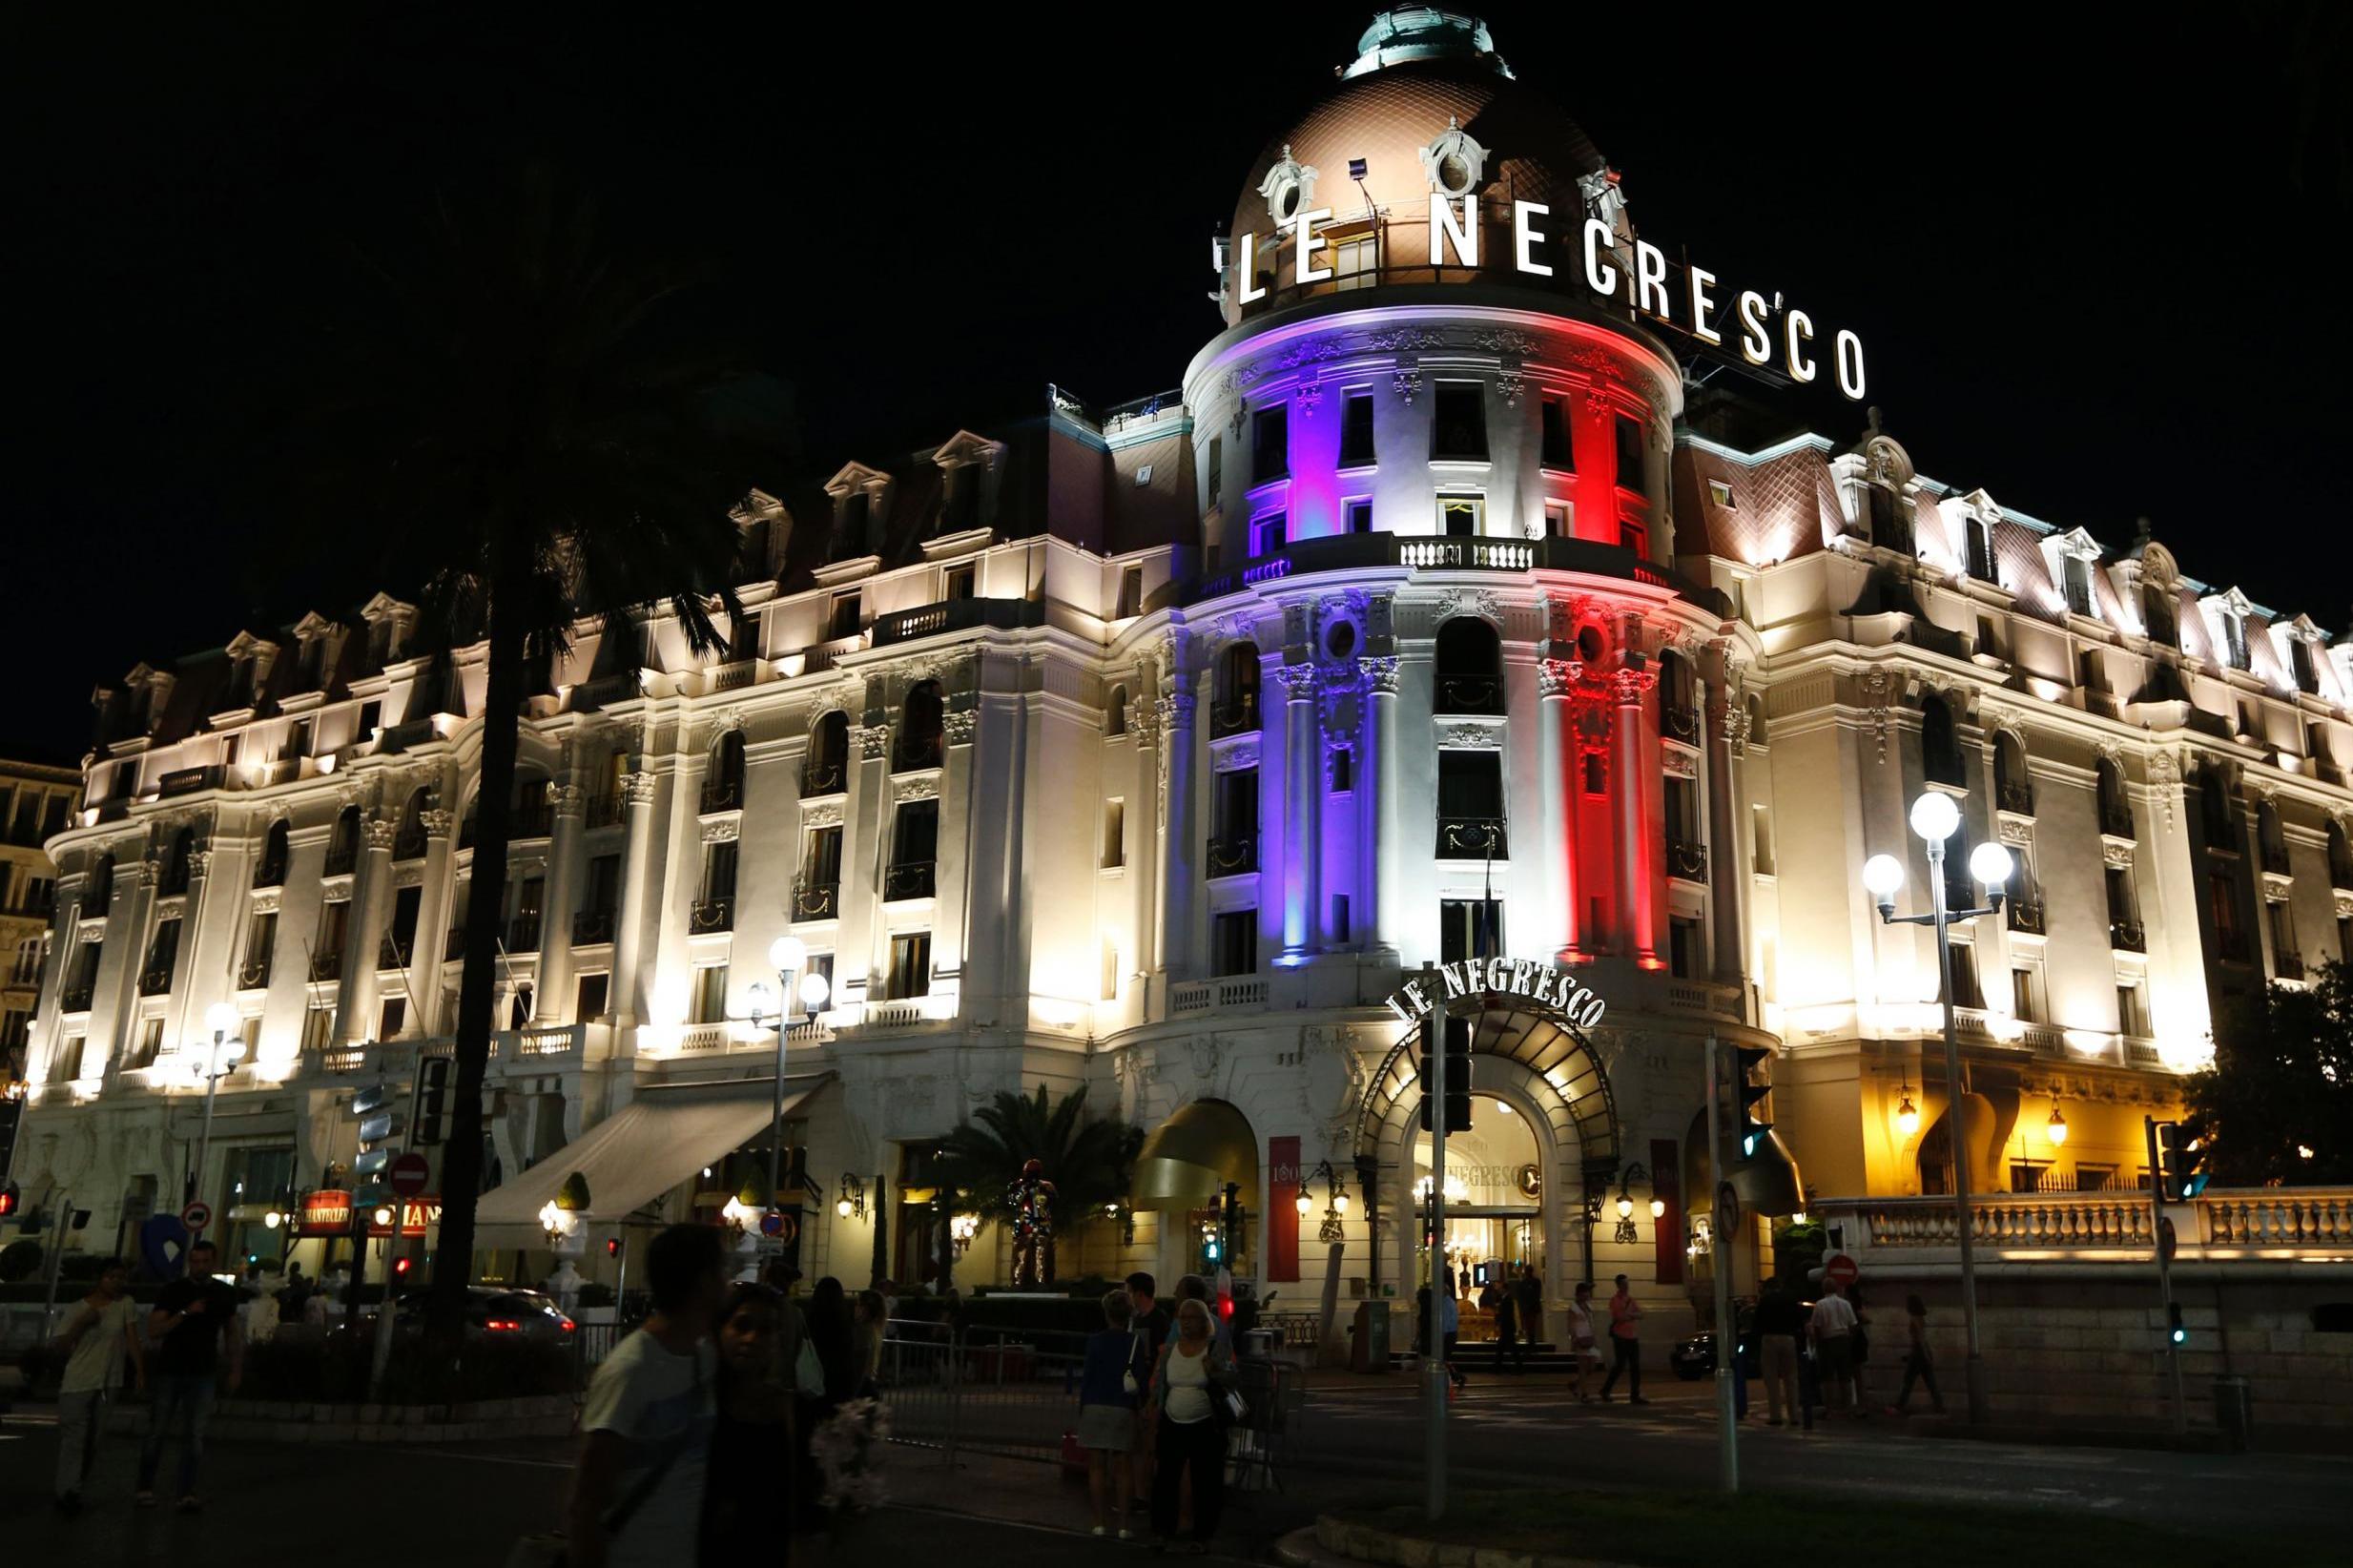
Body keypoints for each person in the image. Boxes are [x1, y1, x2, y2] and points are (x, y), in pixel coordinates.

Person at [568, 1224, 726, 1568]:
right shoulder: (631, 1371)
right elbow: (588, 1499)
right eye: (720, 1271)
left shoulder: (704, 1359)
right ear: (702, 1281)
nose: (727, 1282)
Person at [137, 1239, 243, 1511]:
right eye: (195, 1262)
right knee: (157, 1432)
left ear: (214, 1262)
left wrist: (235, 1368)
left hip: (203, 1371)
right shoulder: (174, 1290)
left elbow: (232, 1333)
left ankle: (186, 1491)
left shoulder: (224, 1294)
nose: (199, 1267)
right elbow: (153, 1329)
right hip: (171, 1369)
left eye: (204, 1262)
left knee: (194, 1435)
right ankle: (145, 1487)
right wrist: (184, 1312)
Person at [701, 1283, 794, 1564]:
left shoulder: (782, 1406)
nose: (751, 1338)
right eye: (741, 1325)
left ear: (777, 1340)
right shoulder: (699, 1402)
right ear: (720, 1330)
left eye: (765, 1330)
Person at [1146, 1297, 1239, 1553]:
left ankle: (1202, 1536)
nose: (1186, 1323)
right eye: (1182, 1318)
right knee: (1166, 1479)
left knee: (1205, 1482)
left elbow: (1232, 1378)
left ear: (1204, 1321)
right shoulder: (1171, 1349)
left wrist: (1216, 1371)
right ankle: (1162, 1531)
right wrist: (1153, 1405)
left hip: (1205, 1424)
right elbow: (1162, 1382)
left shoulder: (1214, 1348)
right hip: (1172, 1421)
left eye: (1191, 1318)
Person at [52, 1258, 144, 1514]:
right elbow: (61, 1346)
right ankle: (67, 1491)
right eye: (111, 1277)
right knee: (75, 1439)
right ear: (99, 1278)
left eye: (121, 1277)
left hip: (108, 1382)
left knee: (93, 1439)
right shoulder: (77, 1309)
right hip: (78, 1381)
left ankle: (74, 1487)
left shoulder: (125, 1305)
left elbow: (132, 1338)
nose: (116, 1282)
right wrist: (81, 1323)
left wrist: (139, 1370)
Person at [1077, 1288, 1140, 1539]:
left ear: (1107, 1313)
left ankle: (1098, 1522)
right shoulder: (1134, 1342)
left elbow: (1087, 1377)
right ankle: (1124, 1524)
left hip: (1095, 1404)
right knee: (1124, 1468)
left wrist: (1083, 1407)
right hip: (1122, 1405)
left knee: (1097, 1467)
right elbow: (1140, 1379)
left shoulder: (1095, 1341)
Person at [1124, 1272, 1167, 1517]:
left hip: (1148, 1389)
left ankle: (1144, 1495)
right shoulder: (1135, 1319)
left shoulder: (1157, 1320)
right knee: (1137, 1444)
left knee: (1147, 1445)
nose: (1128, 1295)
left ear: (1139, 1293)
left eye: (1129, 1290)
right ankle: (1139, 1493)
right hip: (1136, 1386)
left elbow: (1162, 1352)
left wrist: (1154, 1383)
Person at [1753, 1277, 1805, 1427]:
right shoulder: (1790, 1299)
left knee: (1771, 1379)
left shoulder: (1765, 1301)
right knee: (1791, 1378)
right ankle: (1793, 1415)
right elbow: (1798, 1320)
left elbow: (1757, 1323)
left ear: (1769, 1288)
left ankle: (1775, 1416)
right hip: (1788, 1338)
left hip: (1769, 1338)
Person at [1809, 1277, 1860, 1415]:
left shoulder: (1820, 1304)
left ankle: (1830, 1407)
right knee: (1845, 1375)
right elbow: (1853, 1324)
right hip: (1844, 1340)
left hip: (1827, 1341)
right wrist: (1849, 1339)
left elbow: (1817, 1326)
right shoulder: (1845, 1304)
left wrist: (1818, 1343)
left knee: (1827, 1376)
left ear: (1823, 1289)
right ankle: (1847, 1406)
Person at [1892, 1292, 1946, 1415]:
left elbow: (1919, 1338)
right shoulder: (1920, 1318)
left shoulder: (1914, 1319)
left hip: (1918, 1352)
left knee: (1908, 1381)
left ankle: (1899, 1406)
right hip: (1921, 1352)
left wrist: (1921, 1354)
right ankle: (1940, 1406)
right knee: (1930, 1382)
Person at [1599, 1274, 1645, 1404]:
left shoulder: (1630, 1300)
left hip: (1632, 1336)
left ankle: (1635, 1394)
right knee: (1619, 1365)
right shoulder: (1615, 1300)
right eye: (1624, 1284)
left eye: (1627, 1283)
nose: (1627, 1286)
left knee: (1635, 1366)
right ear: (1618, 1285)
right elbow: (1619, 1317)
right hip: (1620, 1336)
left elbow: (1641, 1314)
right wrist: (1632, 1316)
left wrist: (1630, 1315)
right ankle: (1605, 1390)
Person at [1565, 1281, 1599, 1403]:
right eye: (1586, 1291)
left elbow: (1591, 1323)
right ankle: (1584, 1394)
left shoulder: (1589, 1306)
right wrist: (1573, 1338)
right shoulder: (1573, 1308)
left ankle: (1574, 1384)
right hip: (1580, 1340)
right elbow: (1570, 1324)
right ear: (1580, 1293)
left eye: (1589, 1291)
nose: (1588, 1294)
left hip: (1590, 1339)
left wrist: (1595, 1339)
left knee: (1592, 1367)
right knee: (1583, 1368)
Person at [851, 1289, 886, 1394]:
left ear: (865, 1309)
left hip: (861, 1384)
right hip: (870, 1382)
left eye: (858, 1305)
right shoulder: (876, 1329)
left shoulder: (862, 1330)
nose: (855, 1308)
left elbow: (860, 1360)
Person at [1437, 1275, 1465, 1389]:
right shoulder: (1451, 1302)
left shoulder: (1445, 1303)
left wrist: (1442, 1336)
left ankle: (1457, 1377)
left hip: (1448, 1334)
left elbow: (1446, 1321)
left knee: (1443, 1359)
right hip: (1452, 1333)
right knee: (1445, 1359)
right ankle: (1456, 1377)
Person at [1491, 1275, 1520, 1372]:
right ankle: (1498, 1367)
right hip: (1507, 1326)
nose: (1498, 1289)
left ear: (1504, 1289)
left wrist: (1500, 1322)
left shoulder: (1507, 1299)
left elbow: (1507, 1314)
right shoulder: (1505, 1298)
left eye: (1499, 1287)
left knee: (1506, 1348)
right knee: (1505, 1348)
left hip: (1507, 1326)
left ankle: (1498, 1367)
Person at [1513, 1266, 1544, 1355]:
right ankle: (1531, 1344)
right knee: (1530, 1327)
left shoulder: (1525, 1283)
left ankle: (1531, 1344)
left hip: (1529, 1309)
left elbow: (1521, 1297)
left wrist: (1522, 1307)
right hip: (1530, 1308)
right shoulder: (1533, 1282)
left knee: (1529, 1327)